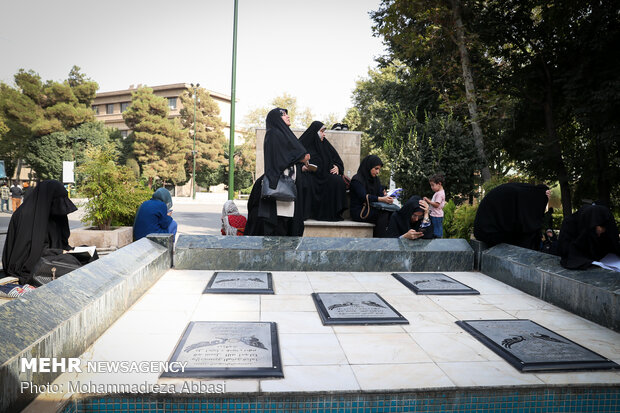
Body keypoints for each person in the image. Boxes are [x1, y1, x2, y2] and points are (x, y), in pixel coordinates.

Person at [2, 180, 89, 285]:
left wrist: (68, 251)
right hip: (27, 263)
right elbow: (28, 252)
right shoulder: (25, 215)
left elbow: (62, 242)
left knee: (89, 257)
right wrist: (59, 252)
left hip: (50, 256)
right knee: (71, 262)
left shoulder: (54, 214)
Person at [258, 108, 310, 236]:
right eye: (283, 114)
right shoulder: (274, 134)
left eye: (287, 113)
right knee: (281, 226)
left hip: (287, 187)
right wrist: (300, 157)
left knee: (288, 223)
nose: (287, 116)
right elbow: (280, 158)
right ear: (276, 118)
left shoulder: (280, 133)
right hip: (280, 188)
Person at [473, 182, 550, 250]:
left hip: (485, 231)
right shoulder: (520, 196)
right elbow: (527, 226)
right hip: (488, 233)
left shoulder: (519, 193)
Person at [298, 121, 347, 221]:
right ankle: (307, 214)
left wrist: (337, 167)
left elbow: (337, 160)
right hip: (310, 175)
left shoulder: (325, 144)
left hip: (325, 175)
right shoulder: (303, 144)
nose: (324, 134)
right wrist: (302, 168)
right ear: (315, 132)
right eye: (322, 131)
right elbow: (294, 161)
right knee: (306, 182)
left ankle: (333, 214)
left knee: (337, 181)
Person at [558, 204, 620, 270]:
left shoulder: (598, 224)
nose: (599, 235)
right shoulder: (570, 224)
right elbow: (567, 252)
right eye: (597, 232)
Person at [350, 155, 394, 238]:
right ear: (369, 166)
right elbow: (363, 197)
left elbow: (379, 194)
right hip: (360, 210)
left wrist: (385, 197)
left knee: (393, 214)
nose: (377, 172)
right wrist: (381, 199)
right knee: (383, 215)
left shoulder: (375, 180)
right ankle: (379, 241)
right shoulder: (357, 179)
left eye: (379, 169)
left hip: (373, 208)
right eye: (376, 168)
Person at [424, 173, 446, 238]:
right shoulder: (438, 193)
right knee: (435, 228)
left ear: (439, 184)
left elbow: (436, 205)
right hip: (435, 214)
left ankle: (438, 240)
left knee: (437, 231)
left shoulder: (439, 194)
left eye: (433, 185)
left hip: (436, 215)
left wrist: (428, 201)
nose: (431, 187)